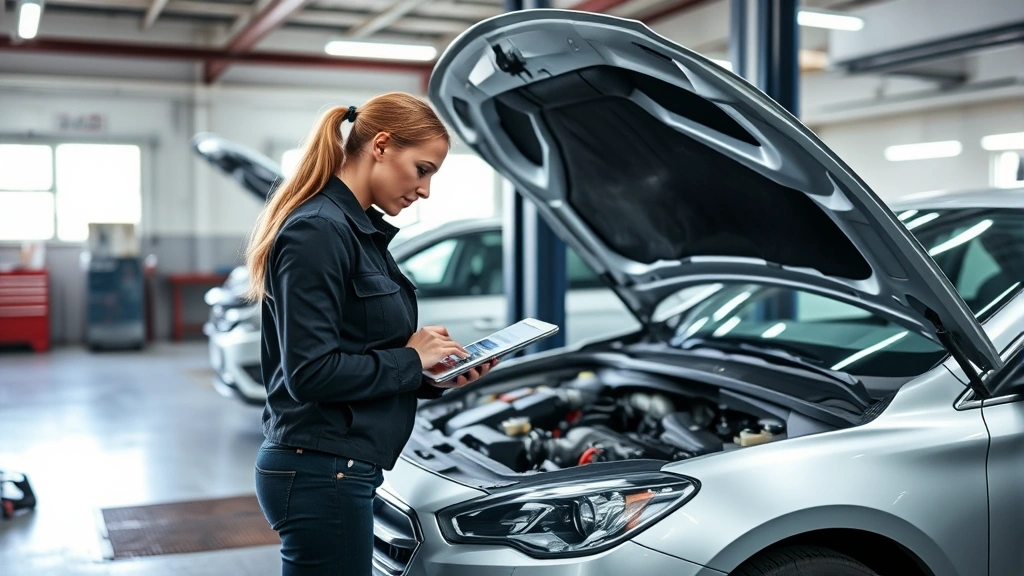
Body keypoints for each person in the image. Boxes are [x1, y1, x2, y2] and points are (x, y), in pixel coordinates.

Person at [245, 93, 496, 575]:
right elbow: (311, 374)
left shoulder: (356, 230)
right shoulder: (318, 231)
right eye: (422, 169)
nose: (424, 190)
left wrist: (432, 374)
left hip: (335, 467)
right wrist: (411, 359)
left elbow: (356, 351)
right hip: (319, 469)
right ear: (380, 146)